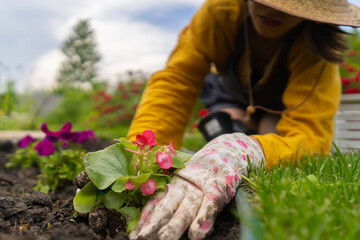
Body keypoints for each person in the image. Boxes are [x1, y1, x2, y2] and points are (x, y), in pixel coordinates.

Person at [125, 0, 360, 239]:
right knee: (223, 127)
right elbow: (177, 80)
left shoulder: (316, 48)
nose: (272, 10)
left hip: (279, 107)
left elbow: (309, 134)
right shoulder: (221, 13)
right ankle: (241, 128)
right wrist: (144, 153)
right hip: (232, 97)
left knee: (270, 138)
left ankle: (253, 133)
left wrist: (244, 149)